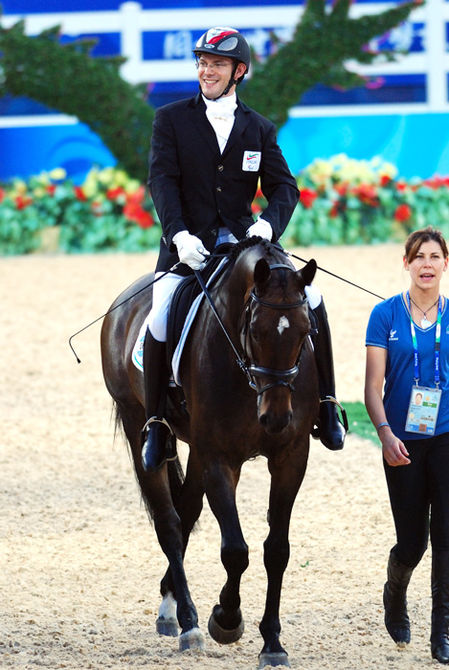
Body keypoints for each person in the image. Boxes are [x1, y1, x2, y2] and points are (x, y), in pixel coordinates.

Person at [140, 26, 346, 472]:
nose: (205, 70)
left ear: (239, 71)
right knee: (160, 312)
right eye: (202, 62)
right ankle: (157, 419)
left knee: (314, 299)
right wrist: (178, 235)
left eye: (216, 64)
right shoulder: (171, 120)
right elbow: (162, 181)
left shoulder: (258, 128)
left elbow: (285, 187)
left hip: (244, 246)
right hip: (187, 246)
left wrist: (267, 227)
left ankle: (327, 404)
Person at [364, 227, 449, 663]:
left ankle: (443, 632)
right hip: (402, 443)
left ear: (445, 264)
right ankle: (395, 591)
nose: (428, 264)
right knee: (413, 542)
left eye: (435, 256)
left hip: (447, 439)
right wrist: (384, 434)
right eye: (420, 256)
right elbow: (372, 387)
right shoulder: (384, 315)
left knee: (447, 536)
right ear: (407, 263)